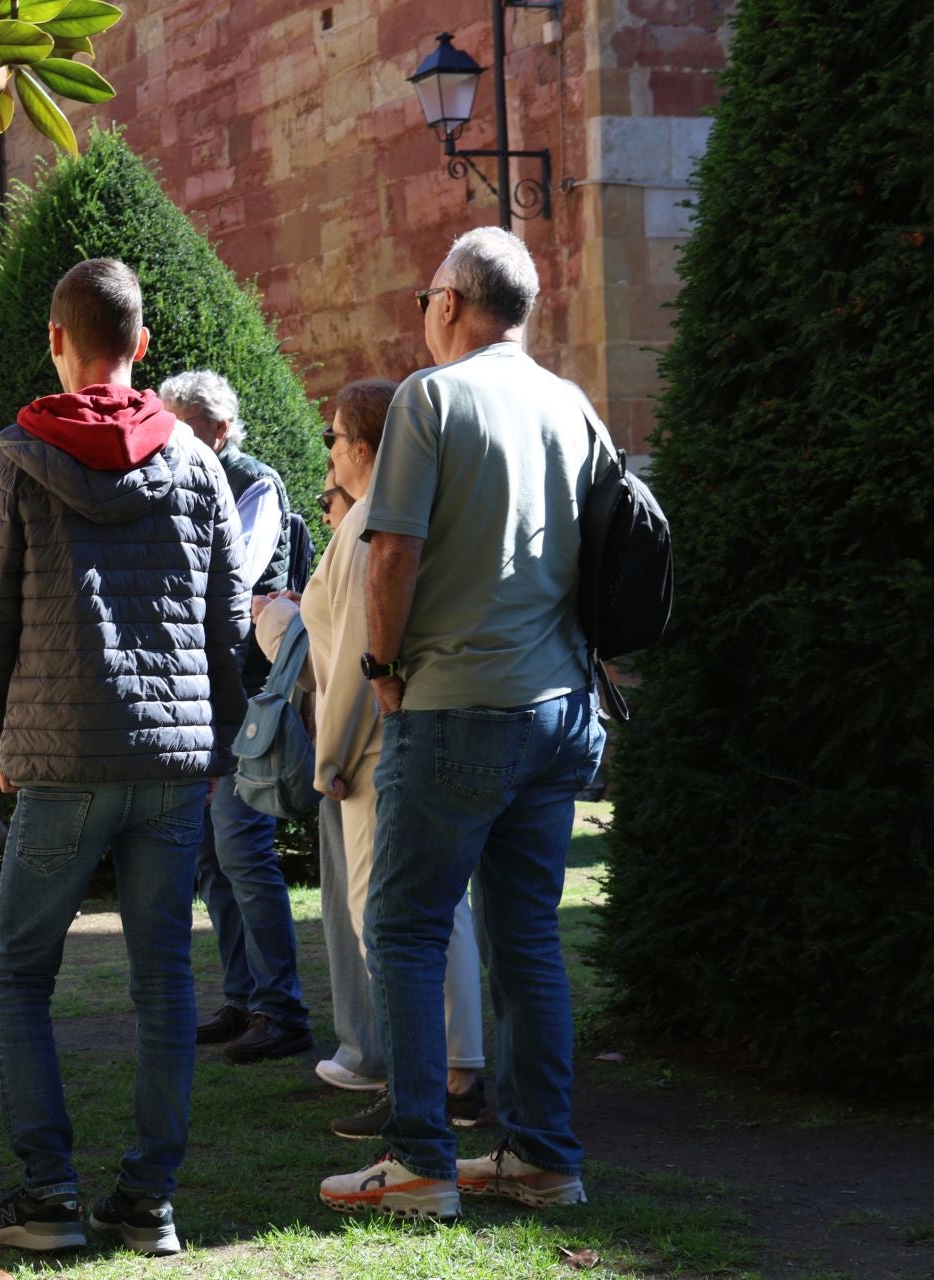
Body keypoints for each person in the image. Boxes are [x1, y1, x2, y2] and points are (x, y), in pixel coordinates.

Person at [318, 228, 609, 1221]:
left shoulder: (430, 399)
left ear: (449, 303)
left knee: (401, 924)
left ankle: (418, 1161)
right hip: (561, 704)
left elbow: (391, 550)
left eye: (426, 297)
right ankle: (542, 1156)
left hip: (456, 705)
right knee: (526, 932)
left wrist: (384, 670)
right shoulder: (572, 404)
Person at [0, 258, 247, 1257]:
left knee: (20, 975)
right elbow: (230, 620)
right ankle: (148, 1199)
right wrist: (221, 736)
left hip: (64, 754)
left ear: (53, 339)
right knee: (165, 981)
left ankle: (47, 1191)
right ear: (142, 347)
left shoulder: (12, 457)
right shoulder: (198, 464)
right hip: (172, 760)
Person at [252, 381, 488, 1142]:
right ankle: (452, 1072)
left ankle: (439, 1080)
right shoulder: (385, 518)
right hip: (401, 742)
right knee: (432, 912)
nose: (326, 453)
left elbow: (358, 661)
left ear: (361, 447)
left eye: (332, 437)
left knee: (388, 918)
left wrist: (331, 758)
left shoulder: (366, 530)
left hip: (373, 753)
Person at [157, 370, 311, 1065]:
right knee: (213, 859)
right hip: (205, 692)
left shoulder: (253, 482)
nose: (169, 439)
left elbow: (235, 578)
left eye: (183, 426)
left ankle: (282, 1011)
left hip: (247, 696)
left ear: (219, 430)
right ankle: (244, 998)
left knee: (243, 850)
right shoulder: (181, 478)